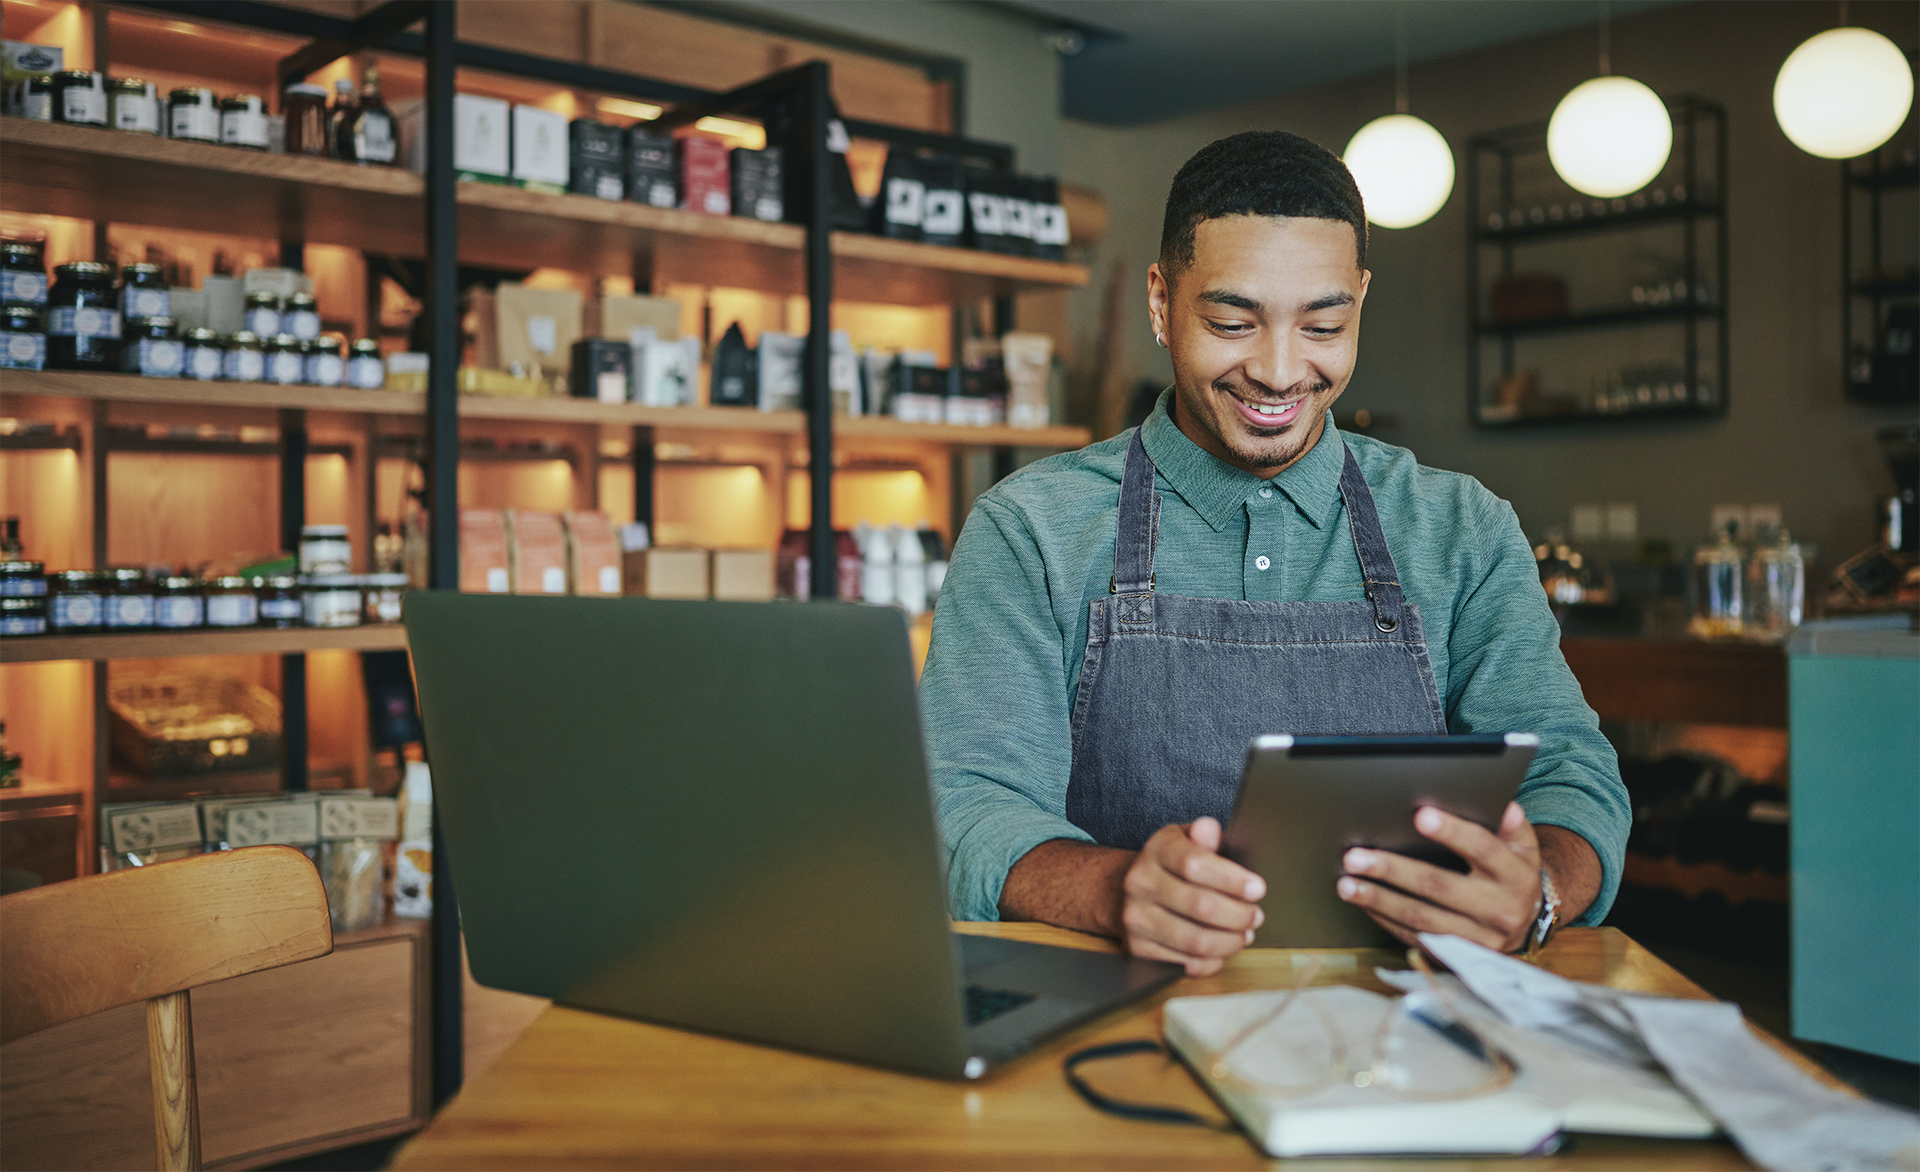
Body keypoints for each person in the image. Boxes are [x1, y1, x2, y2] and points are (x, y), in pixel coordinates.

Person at [920, 130, 1628, 976]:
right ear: (1160, 301)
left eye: (1324, 324)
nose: (1281, 371)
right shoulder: (1030, 530)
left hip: (1401, 1040)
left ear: (1361, 300)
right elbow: (963, 805)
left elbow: (1570, 774)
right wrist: (1113, 889)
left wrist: (1537, 890)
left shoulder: (1461, 528)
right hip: (1115, 1028)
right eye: (1231, 321)